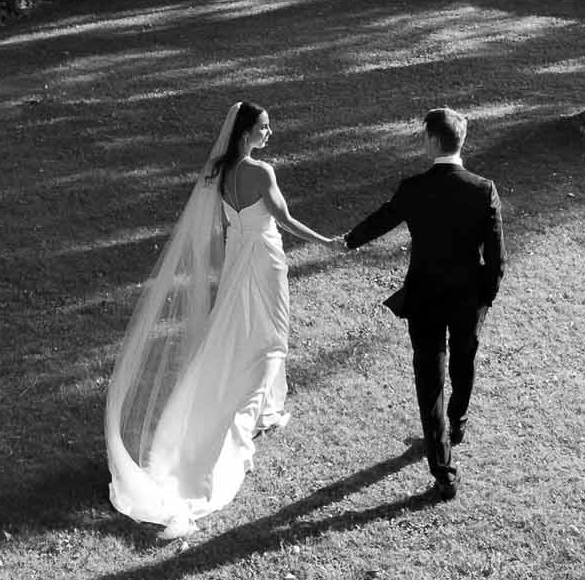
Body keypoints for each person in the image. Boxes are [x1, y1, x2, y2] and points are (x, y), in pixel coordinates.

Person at [105, 100, 336, 541]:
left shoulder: (220, 172)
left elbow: (223, 225)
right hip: (263, 262)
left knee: (234, 330)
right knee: (271, 336)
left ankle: (265, 404)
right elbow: (283, 219)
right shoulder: (260, 172)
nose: (270, 134)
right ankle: (246, 410)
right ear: (247, 131)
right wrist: (328, 241)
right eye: (265, 127)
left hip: (236, 259)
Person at [343, 106, 505, 502]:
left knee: (429, 381)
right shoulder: (483, 189)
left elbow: (383, 218)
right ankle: (459, 420)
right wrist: (485, 297)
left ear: (433, 141)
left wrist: (348, 240)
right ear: (460, 141)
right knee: (464, 361)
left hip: (426, 297)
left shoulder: (414, 188)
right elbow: (497, 258)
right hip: (468, 298)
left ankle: (443, 472)